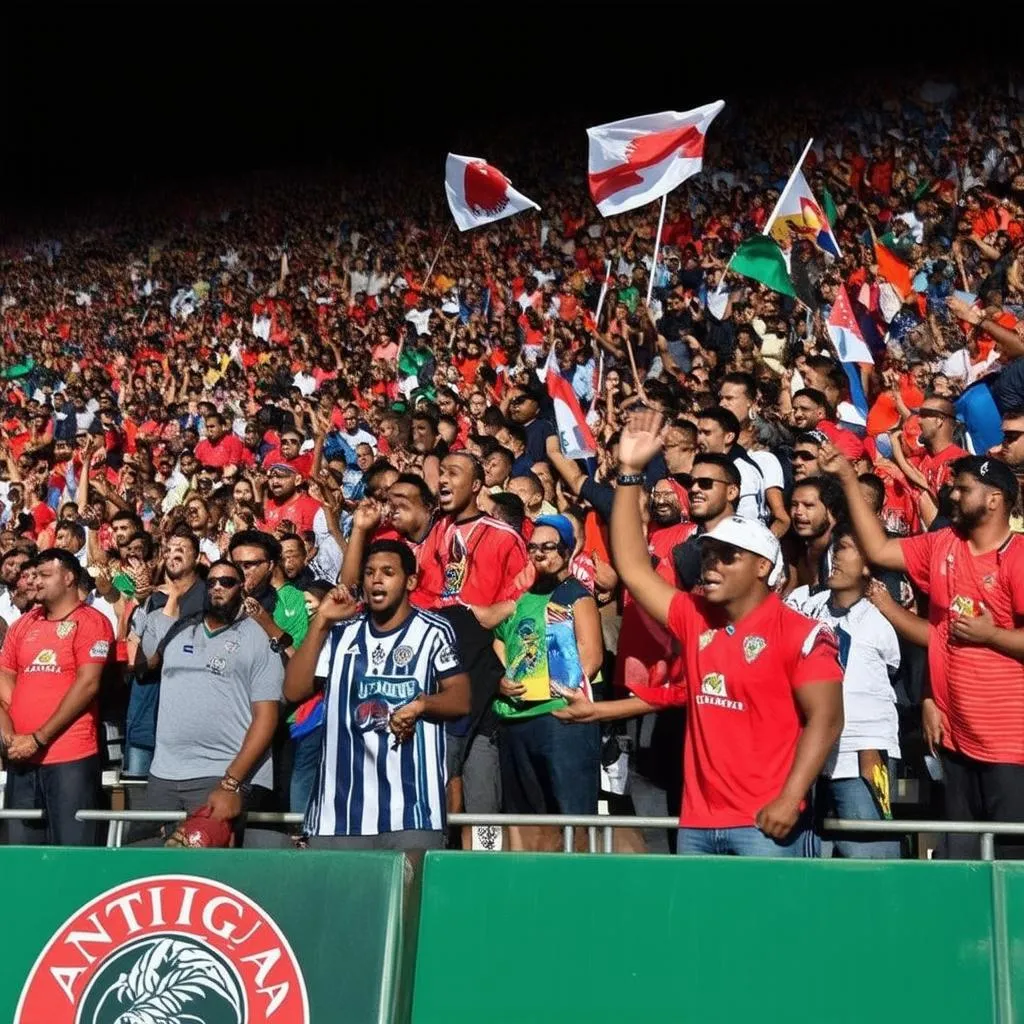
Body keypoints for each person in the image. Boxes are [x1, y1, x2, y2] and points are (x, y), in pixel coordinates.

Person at [557, 410, 844, 857]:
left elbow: (826, 720)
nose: (711, 564)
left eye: (728, 557)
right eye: (709, 554)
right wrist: (631, 474)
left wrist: (790, 798)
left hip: (765, 822)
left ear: (763, 567)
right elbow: (633, 567)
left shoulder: (802, 632)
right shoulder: (694, 616)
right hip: (697, 822)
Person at [821, 445, 1024, 858]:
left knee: (1010, 857)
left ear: (993, 500)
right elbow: (878, 550)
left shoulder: (1018, 558)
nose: (951, 496)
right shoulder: (942, 543)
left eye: (962, 489)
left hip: (1010, 744)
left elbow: (981, 638)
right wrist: (845, 478)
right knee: (960, 856)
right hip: (955, 740)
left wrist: (992, 636)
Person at [283, 540, 471, 850]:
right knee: (340, 899)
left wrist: (422, 704)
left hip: (411, 810)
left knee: (407, 898)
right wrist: (321, 622)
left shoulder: (433, 631)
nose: (376, 580)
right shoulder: (341, 631)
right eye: (369, 572)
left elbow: (461, 698)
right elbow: (293, 689)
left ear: (410, 581)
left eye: (387, 572)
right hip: (338, 812)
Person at [135, 558, 283, 846]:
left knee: (206, 871)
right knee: (152, 868)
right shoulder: (179, 630)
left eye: (227, 582)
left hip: (217, 775)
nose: (217, 587)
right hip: (163, 774)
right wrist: (148, 604)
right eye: (211, 582)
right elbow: (142, 666)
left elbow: (267, 718)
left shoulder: (258, 637)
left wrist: (231, 783)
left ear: (242, 588)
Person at [786, 523, 902, 859]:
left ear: (869, 563)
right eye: (835, 548)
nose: (835, 556)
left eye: (847, 548)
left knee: (869, 855)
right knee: (811, 854)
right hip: (807, 750)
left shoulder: (881, 618)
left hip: (860, 751)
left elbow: (893, 673)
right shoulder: (808, 608)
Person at [492, 516, 603, 850]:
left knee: (571, 813)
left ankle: (577, 886)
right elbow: (500, 640)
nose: (539, 554)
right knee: (526, 818)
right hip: (517, 718)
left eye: (548, 547)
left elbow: (591, 656)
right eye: (533, 547)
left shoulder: (575, 595)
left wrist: (552, 687)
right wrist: (505, 680)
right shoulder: (522, 597)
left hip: (560, 718)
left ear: (567, 550)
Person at [0, 548, 115, 845]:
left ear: (68, 577)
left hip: (69, 758)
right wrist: (12, 735)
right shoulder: (23, 625)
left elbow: (88, 685)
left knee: (72, 853)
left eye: (44, 575)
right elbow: (4, 680)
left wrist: (38, 737)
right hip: (21, 758)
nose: (34, 582)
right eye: (34, 575)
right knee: (21, 855)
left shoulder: (91, 622)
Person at [126, 530, 205, 778]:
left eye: (181, 548)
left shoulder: (210, 597)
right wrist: (143, 601)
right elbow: (138, 657)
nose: (173, 553)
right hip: (147, 713)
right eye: (168, 549)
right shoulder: (152, 599)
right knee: (137, 797)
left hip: (190, 720)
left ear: (198, 556)